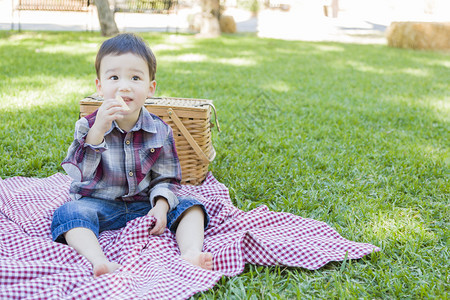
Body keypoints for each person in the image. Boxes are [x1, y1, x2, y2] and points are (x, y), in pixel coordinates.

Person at [51, 33, 213, 278]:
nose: (124, 86)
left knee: (192, 206)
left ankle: (190, 253)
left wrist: (160, 206)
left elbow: (167, 177)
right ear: (99, 86)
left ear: (150, 88)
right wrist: (98, 133)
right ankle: (98, 261)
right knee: (69, 212)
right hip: (98, 203)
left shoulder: (160, 130)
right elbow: (78, 173)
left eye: (135, 78)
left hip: (143, 204)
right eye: (114, 77)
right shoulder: (87, 126)